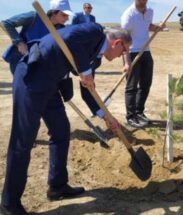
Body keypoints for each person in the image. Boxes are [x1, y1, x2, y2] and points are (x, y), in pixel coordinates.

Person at [0, 23, 131, 215]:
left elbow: (89, 92)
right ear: (118, 42)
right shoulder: (93, 31)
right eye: (124, 51)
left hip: (51, 85)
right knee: (23, 140)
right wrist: (84, 72)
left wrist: (106, 118)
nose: (122, 56)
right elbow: (68, 40)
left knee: (61, 131)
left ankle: (57, 186)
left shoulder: (96, 57)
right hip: (32, 79)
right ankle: (9, 204)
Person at [1, 0, 74, 75]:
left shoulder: (60, 29)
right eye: (64, 15)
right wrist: (19, 43)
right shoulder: (34, 17)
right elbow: (6, 24)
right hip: (20, 59)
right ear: (54, 13)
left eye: (67, 16)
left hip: (39, 65)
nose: (67, 19)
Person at [121, 0, 164, 128]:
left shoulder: (150, 11)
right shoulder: (128, 15)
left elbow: (147, 26)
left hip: (146, 51)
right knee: (131, 86)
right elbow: (123, 39)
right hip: (132, 52)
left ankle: (139, 112)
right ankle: (130, 116)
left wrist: (157, 28)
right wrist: (126, 61)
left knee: (146, 84)